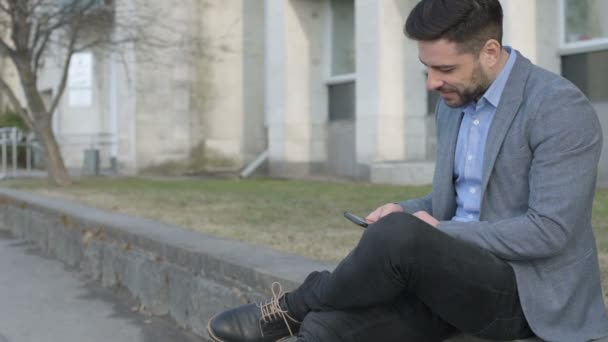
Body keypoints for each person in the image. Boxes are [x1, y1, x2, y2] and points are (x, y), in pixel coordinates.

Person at [207, 0, 608, 341]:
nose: (433, 83)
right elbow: (455, 200)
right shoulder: (453, 104)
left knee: (400, 236)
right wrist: (406, 209)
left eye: (446, 69)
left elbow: (549, 231)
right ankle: (305, 313)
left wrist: (426, 232)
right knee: (326, 328)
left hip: (525, 296)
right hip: (451, 279)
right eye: (427, 68)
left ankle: (292, 306)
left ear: (489, 51)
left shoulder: (557, 108)